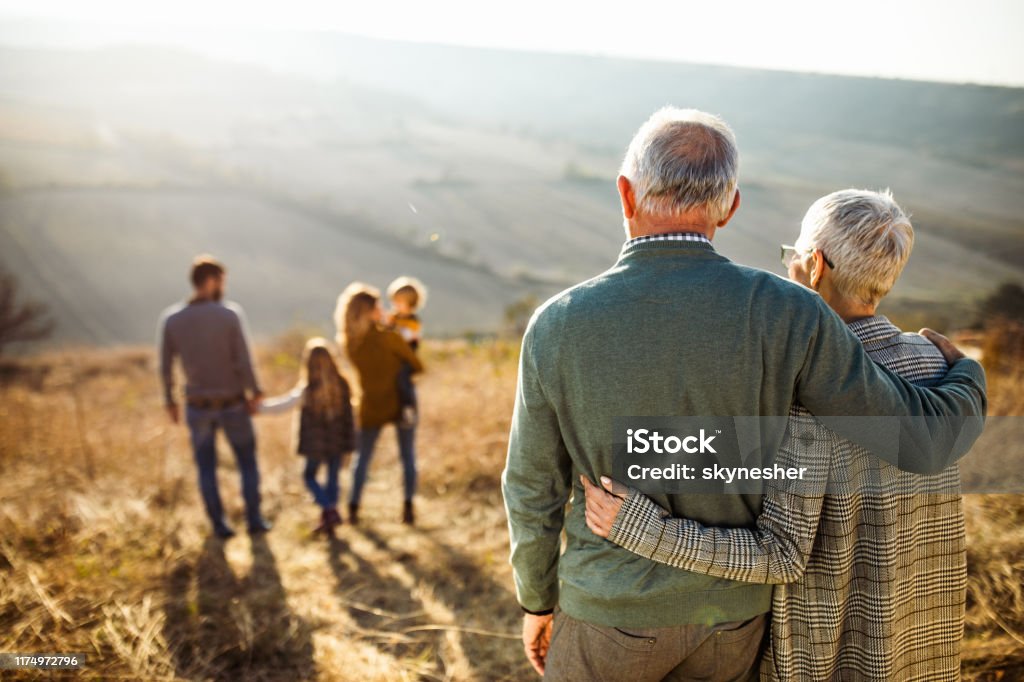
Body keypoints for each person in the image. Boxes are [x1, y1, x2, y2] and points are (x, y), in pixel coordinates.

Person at [501, 108, 986, 681]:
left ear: (626, 195)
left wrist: (537, 600)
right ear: (730, 207)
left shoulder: (557, 323)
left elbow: (532, 487)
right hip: (732, 621)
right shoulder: (788, 311)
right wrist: (968, 376)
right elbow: (916, 439)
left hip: (608, 612)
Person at [583, 189, 968, 680]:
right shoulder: (936, 365)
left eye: (791, 257)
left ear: (813, 265)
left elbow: (782, 555)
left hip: (830, 655)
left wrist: (644, 528)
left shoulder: (803, 392)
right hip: (922, 645)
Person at [158, 254, 271, 538]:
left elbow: (165, 364)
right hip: (232, 402)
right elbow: (243, 360)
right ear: (210, 281)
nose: (224, 287)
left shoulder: (172, 319)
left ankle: (219, 525)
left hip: (197, 406)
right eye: (222, 281)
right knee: (247, 462)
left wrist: (170, 401)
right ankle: (254, 520)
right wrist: (255, 391)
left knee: (206, 468)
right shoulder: (229, 314)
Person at [335, 282, 424, 526]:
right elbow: (417, 364)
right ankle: (408, 508)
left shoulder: (350, 343)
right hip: (401, 401)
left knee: (361, 458)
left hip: (371, 403)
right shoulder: (389, 338)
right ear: (370, 310)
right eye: (378, 306)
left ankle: (353, 508)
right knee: (407, 456)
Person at [260, 338, 356, 536]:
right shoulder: (342, 384)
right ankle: (329, 515)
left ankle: (328, 511)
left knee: (309, 476)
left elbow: (283, 405)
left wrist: (259, 408)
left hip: (315, 444)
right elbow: (350, 416)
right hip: (337, 441)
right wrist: (350, 440)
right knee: (332, 479)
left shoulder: (308, 389)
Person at [385, 276, 428, 429]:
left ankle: (408, 407)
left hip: (407, 359)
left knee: (403, 380)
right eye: (394, 301)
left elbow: (409, 339)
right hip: (394, 358)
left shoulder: (413, 321)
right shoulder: (393, 318)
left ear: (410, 304)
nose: (395, 305)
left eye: (399, 302)